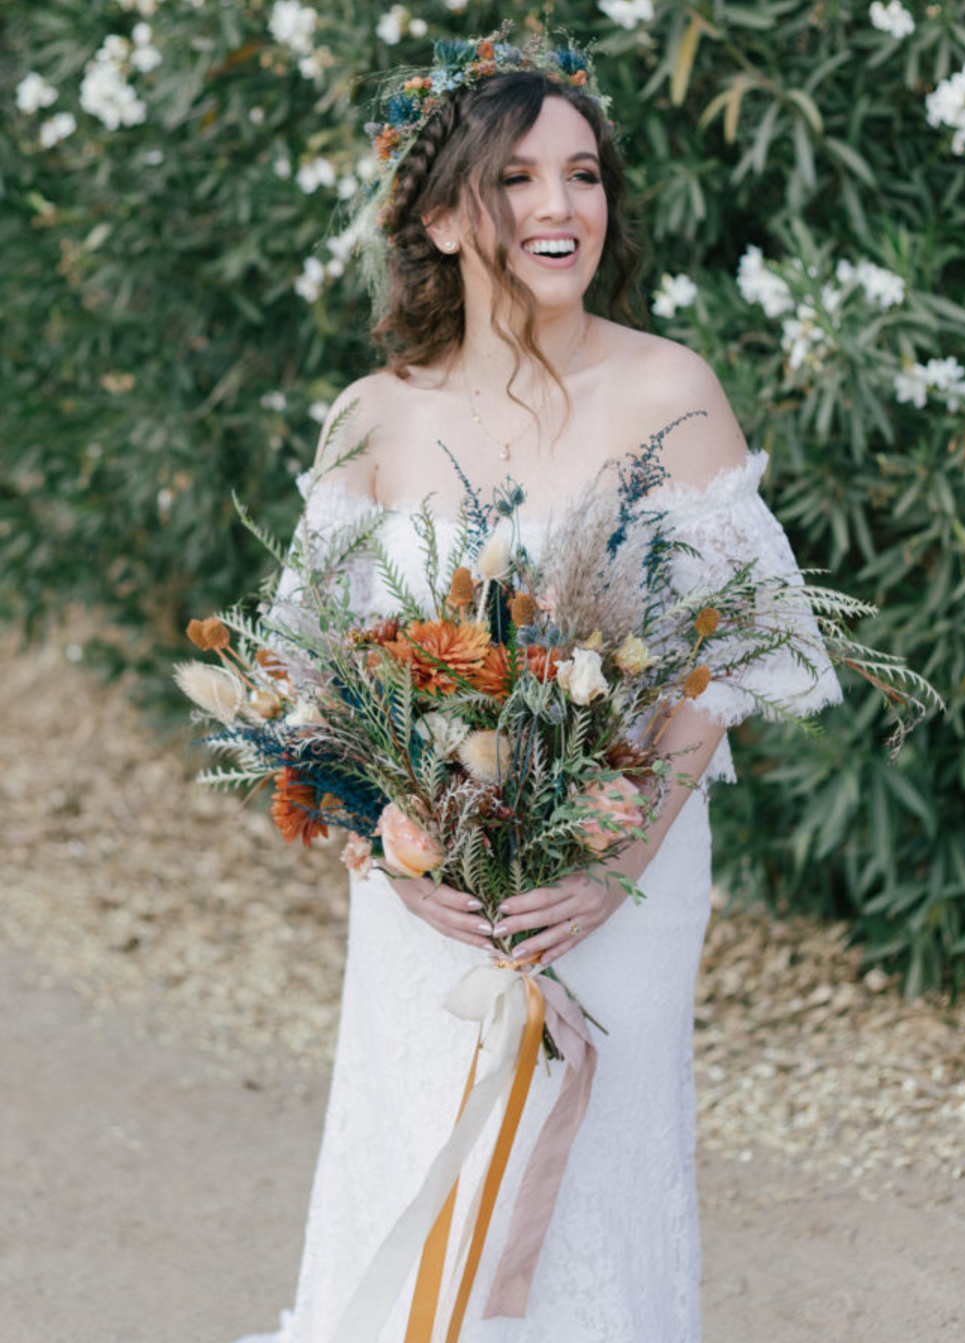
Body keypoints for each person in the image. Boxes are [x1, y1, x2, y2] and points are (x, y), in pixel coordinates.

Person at [237, 32, 840, 1343]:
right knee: (411, 1157)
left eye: (584, 174)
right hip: (424, 906)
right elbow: (305, 683)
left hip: (612, 887)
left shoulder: (670, 390)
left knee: (591, 1182)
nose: (561, 207)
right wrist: (389, 845)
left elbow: (731, 663)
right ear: (445, 214)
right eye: (517, 180)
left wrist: (612, 854)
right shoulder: (371, 418)